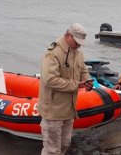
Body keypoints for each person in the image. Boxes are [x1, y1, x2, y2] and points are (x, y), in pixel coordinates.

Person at [38, 23, 93, 155]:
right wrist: (76, 85)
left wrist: (87, 81)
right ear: (68, 35)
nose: (79, 45)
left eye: (80, 43)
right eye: (76, 41)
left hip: (69, 110)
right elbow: (50, 80)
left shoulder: (78, 53)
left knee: (64, 146)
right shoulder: (53, 53)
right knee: (52, 150)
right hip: (53, 111)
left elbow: (83, 70)